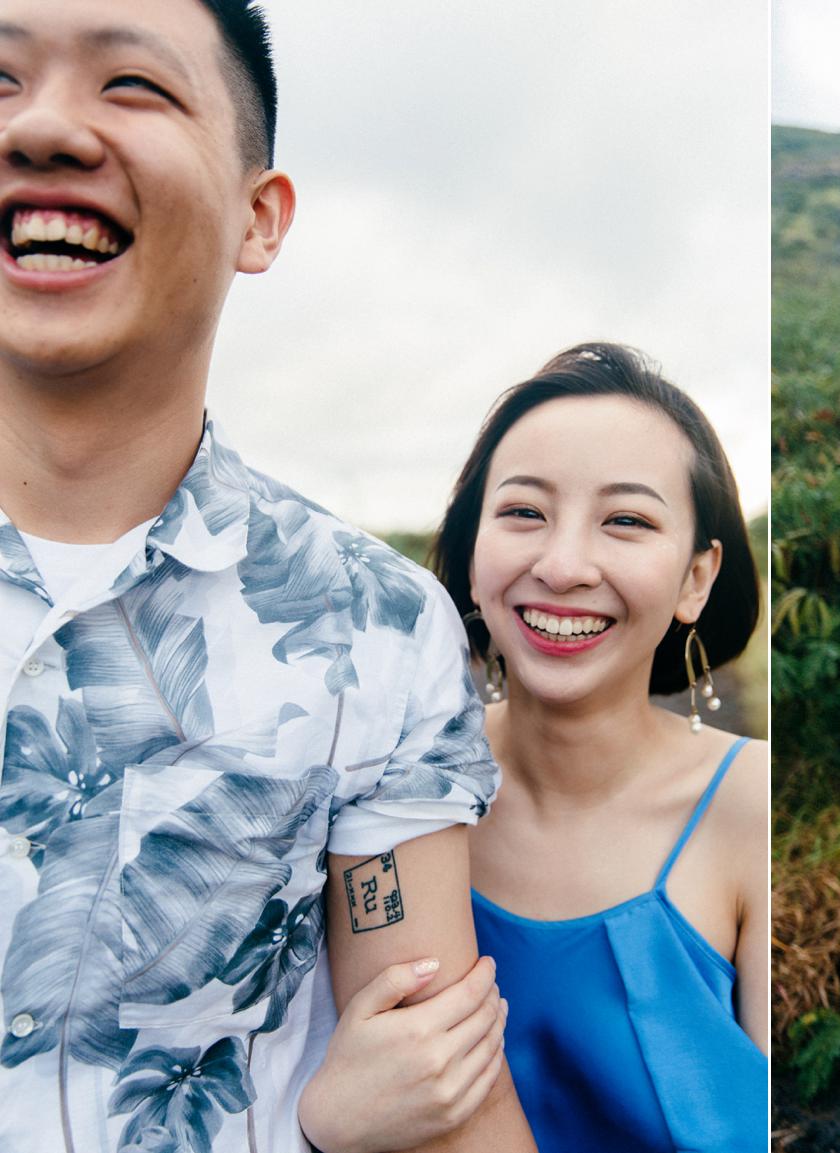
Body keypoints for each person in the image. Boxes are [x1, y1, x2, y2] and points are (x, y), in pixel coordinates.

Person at [0, 2, 534, 1151]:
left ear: (260, 214)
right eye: (1, 81)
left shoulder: (374, 630)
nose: (43, 126)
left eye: (130, 85)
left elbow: (437, 1085)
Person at [299, 343, 769, 1152]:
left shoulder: (755, 811)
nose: (563, 565)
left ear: (697, 577)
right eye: (523, 513)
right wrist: (320, 1124)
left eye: (626, 520)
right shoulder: (385, 793)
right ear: (473, 554)